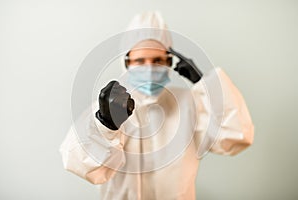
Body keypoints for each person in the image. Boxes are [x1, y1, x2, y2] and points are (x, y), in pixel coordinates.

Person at [60, 11, 254, 200]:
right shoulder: (109, 108)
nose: (150, 67)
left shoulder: (189, 103)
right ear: (126, 62)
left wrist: (206, 84)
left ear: (169, 62)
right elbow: (79, 163)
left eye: (158, 60)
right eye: (140, 60)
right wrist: (105, 124)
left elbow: (236, 136)